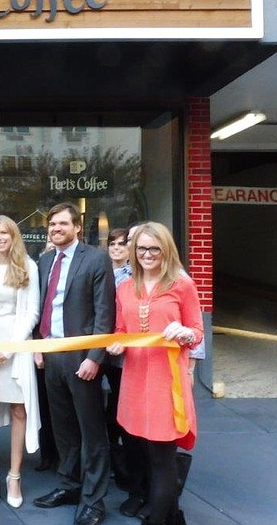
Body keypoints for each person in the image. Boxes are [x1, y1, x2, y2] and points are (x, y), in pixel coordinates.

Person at [107, 222, 203, 525]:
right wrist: (117, 344)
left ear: (166, 250)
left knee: (162, 459)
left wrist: (185, 333)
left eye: (154, 248)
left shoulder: (182, 285)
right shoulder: (125, 288)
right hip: (135, 381)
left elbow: (198, 333)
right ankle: (174, 517)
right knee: (143, 452)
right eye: (141, 248)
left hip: (167, 382)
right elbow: (120, 330)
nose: (147, 254)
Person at [32, 202, 115, 525]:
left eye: (62, 224)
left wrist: (95, 357)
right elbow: (43, 306)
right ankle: (69, 485)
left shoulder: (96, 259)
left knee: (92, 431)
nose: (55, 229)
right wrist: (38, 346)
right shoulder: (45, 260)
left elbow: (104, 313)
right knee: (63, 429)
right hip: (51, 357)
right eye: (52, 224)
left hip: (82, 359)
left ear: (77, 227)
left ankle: (94, 500)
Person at [0, 215, 40, 509]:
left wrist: (10, 348)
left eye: (5, 232)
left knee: (18, 410)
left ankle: (14, 476)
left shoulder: (28, 266)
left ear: (14, 236)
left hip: (17, 344)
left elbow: (31, 313)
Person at [104, 227, 133, 491]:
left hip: (123, 352)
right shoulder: (102, 270)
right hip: (99, 344)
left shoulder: (134, 276)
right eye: (112, 243)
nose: (116, 248)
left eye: (121, 244)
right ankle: (109, 456)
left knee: (119, 404)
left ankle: (124, 462)